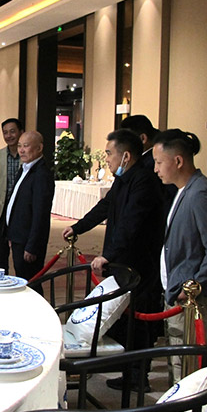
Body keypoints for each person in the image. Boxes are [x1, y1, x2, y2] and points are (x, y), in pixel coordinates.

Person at [62, 129, 164, 391]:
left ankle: (138, 377)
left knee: (139, 322)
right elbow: (106, 207)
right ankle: (129, 372)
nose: (106, 158)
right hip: (123, 263)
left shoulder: (143, 181)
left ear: (126, 156)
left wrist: (109, 255)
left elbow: (132, 223)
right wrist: (78, 227)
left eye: (109, 153)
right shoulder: (124, 179)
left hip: (140, 264)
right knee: (125, 320)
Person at [153, 129, 207, 356]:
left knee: (188, 363)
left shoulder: (200, 194)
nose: (156, 169)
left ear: (178, 161)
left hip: (193, 299)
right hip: (178, 291)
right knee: (177, 359)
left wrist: (196, 285)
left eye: (159, 162)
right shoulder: (184, 190)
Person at [3, 130, 54, 284]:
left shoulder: (41, 174)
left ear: (39, 148)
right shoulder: (25, 168)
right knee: (21, 278)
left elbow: (40, 214)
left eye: (26, 146)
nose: (21, 150)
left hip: (28, 241)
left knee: (31, 283)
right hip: (18, 237)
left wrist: (32, 246)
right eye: (19, 146)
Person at [0, 118, 23, 270]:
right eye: (5, 132)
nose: (9, 136)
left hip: (21, 211)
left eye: (12, 131)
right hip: (3, 210)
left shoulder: (27, 155)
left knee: (20, 255)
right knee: (1, 253)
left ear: (21, 132)